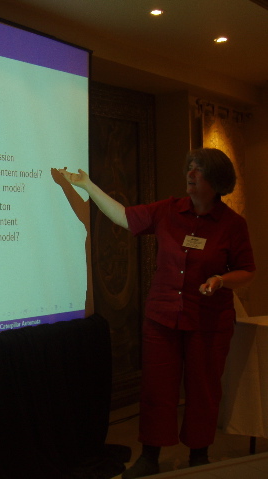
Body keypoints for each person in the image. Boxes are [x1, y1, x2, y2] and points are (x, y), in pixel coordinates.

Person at [58, 148, 256, 478]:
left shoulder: (233, 225)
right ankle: (150, 455)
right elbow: (124, 217)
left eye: (199, 170)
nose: (191, 174)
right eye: (190, 167)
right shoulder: (169, 210)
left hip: (209, 322)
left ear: (217, 181)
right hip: (162, 317)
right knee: (156, 389)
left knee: (203, 391)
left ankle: (199, 455)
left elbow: (247, 270)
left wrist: (221, 280)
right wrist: (86, 185)